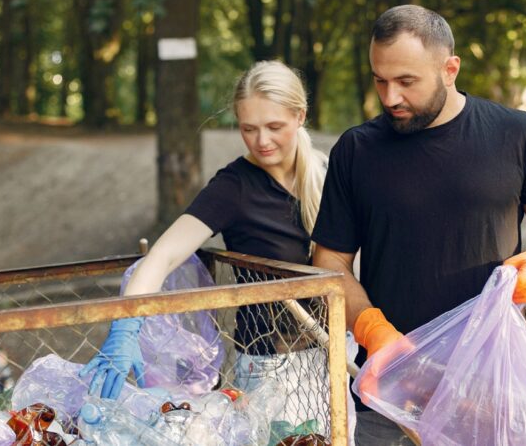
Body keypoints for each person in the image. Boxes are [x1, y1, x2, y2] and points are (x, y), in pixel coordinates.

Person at [311, 5, 526, 446]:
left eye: (406, 82)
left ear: (450, 68)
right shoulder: (356, 150)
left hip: (490, 388)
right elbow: (329, 264)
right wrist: (371, 329)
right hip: (390, 390)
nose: (389, 97)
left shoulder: (516, 134)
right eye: (380, 80)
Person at [79, 60, 345, 436]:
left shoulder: (327, 172)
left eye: (274, 127)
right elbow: (164, 255)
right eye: (248, 128)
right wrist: (127, 324)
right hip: (272, 370)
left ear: (300, 116)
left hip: (334, 354)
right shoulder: (233, 187)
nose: (262, 141)